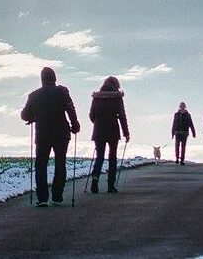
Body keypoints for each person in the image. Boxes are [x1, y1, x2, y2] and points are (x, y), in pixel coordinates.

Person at [21, 67, 80, 207]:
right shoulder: (62, 91)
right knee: (60, 163)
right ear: (54, 78)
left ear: (42, 79)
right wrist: (75, 124)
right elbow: (70, 109)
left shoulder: (34, 95)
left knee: (41, 165)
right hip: (61, 134)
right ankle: (57, 196)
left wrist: (34, 117)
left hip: (43, 134)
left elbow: (24, 115)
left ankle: (42, 198)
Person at [88, 76, 129, 194]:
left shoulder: (96, 97)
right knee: (112, 158)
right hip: (113, 130)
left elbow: (91, 115)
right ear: (116, 85)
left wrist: (97, 122)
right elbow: (122, 116)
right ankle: (111, 185)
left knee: (99, 156)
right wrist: (126, 133)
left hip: (99, 130)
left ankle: (95, 180)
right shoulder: (117, 97)